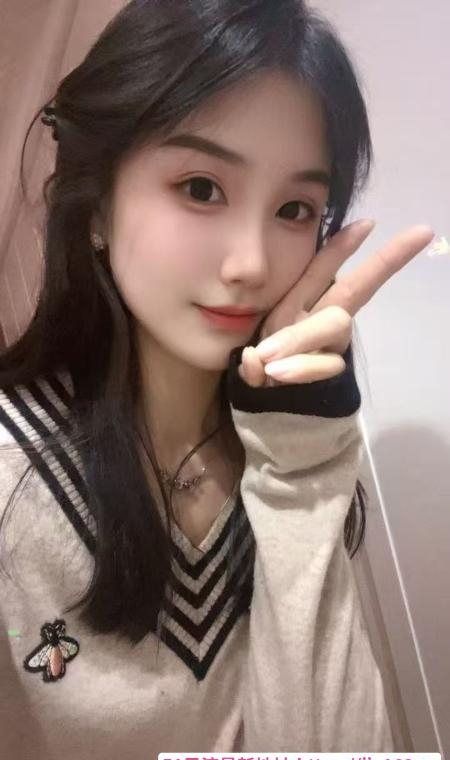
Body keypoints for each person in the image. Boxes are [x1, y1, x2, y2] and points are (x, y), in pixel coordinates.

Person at [0, 0, 434, 757]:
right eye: (201, 188)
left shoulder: (294, 450)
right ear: (96, 204)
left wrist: (300, 471)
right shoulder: (13, 472)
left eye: (295, 209)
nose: (252, 264)